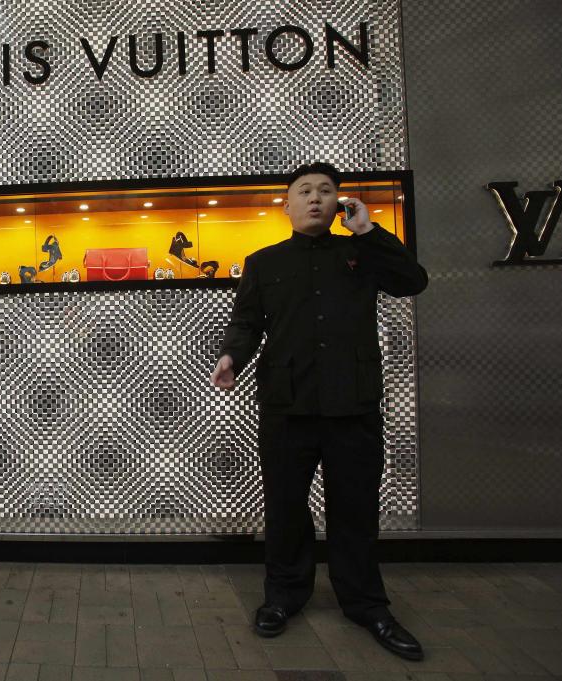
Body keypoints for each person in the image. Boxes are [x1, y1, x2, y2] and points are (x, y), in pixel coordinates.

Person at [211, 163, 429, 661]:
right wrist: (230, 358)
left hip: (353, 402)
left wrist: (370, 230)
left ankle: (366, 604)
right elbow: (245, 323)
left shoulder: (362, 252)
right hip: (287, 405)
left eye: (326, 191)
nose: (315, 198)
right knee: (286, 508)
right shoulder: (264, 262)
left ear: (340, 204)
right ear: (285, 206)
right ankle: (284, 596)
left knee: (355, 509)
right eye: (304, 191)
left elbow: (413, 281)